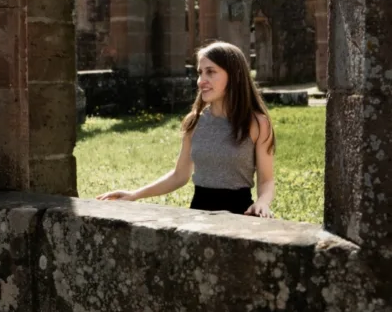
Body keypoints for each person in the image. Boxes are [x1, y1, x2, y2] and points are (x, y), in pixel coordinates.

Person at [95, 41, 276, 217]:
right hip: (198, 215)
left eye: (211, 72)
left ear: (234, 75)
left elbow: (266, 180)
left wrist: (262, 202)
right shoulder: (194, 122)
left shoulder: (257, 123)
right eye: (200, 73)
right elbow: (179, 176)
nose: (201, 81)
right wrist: (134, 194)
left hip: (241, 216)